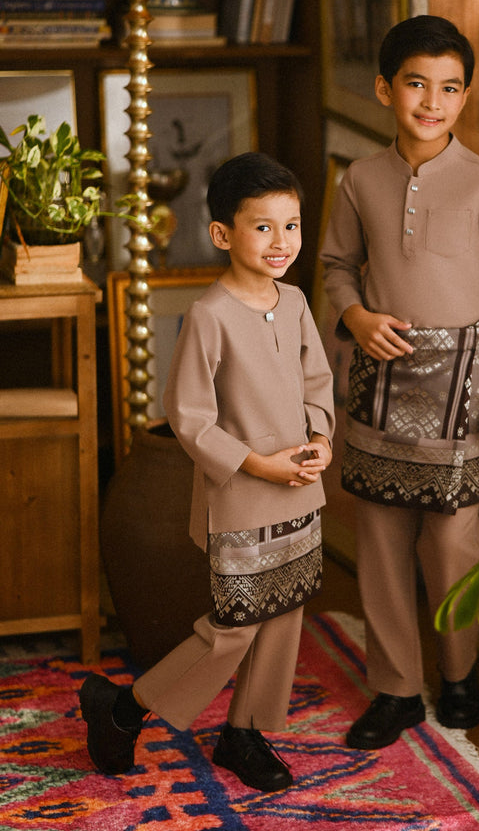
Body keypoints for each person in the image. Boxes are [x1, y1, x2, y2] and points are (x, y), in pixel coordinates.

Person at [80, 153, 334, 790]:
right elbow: (189, 416)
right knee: (233, 629)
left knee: (284, 616)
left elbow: (317, 380)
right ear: (223, 234)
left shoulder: (296, 301)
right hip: (242, 495)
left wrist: (322, 437)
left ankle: (243, 734)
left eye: (292, 226)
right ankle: (124, 708)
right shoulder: (209, 315)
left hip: (300, 490)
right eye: (263, 227)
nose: (281, 241)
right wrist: (258, 465)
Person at [320, 15, 479, 749]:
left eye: (449, 88)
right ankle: (394, 690)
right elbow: (335, 267)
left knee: (453, 545)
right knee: (381, 545)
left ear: (465, 97)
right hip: (380, 378)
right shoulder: (359, 180)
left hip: (464, 386)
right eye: (417, 84)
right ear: (386, 89)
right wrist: (355, 317)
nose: (432, 101)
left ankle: (458, 674)